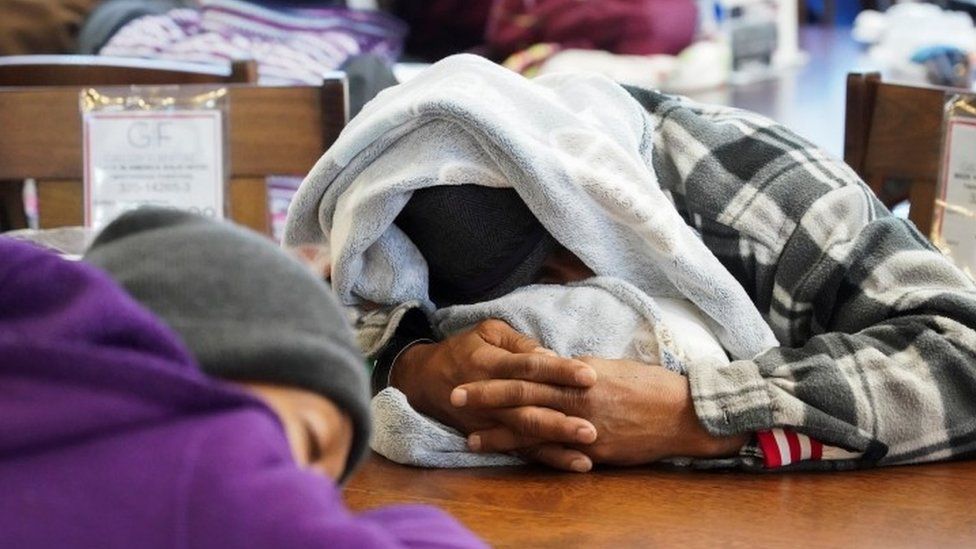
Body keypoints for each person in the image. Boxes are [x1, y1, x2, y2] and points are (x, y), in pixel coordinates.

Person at [284, 54, 976, 474]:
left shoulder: (761, 192)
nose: (559, 297)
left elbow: (962, 360)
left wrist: (691, 414)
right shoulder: (401, 229)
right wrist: (417, 367)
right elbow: (332, 323)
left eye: (565, 257)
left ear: (596, 204)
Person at [0, 209, 485, 548]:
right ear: (221, 354)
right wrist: (413, 519)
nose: (311, 493)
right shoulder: (209, 458)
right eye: (312, 442)